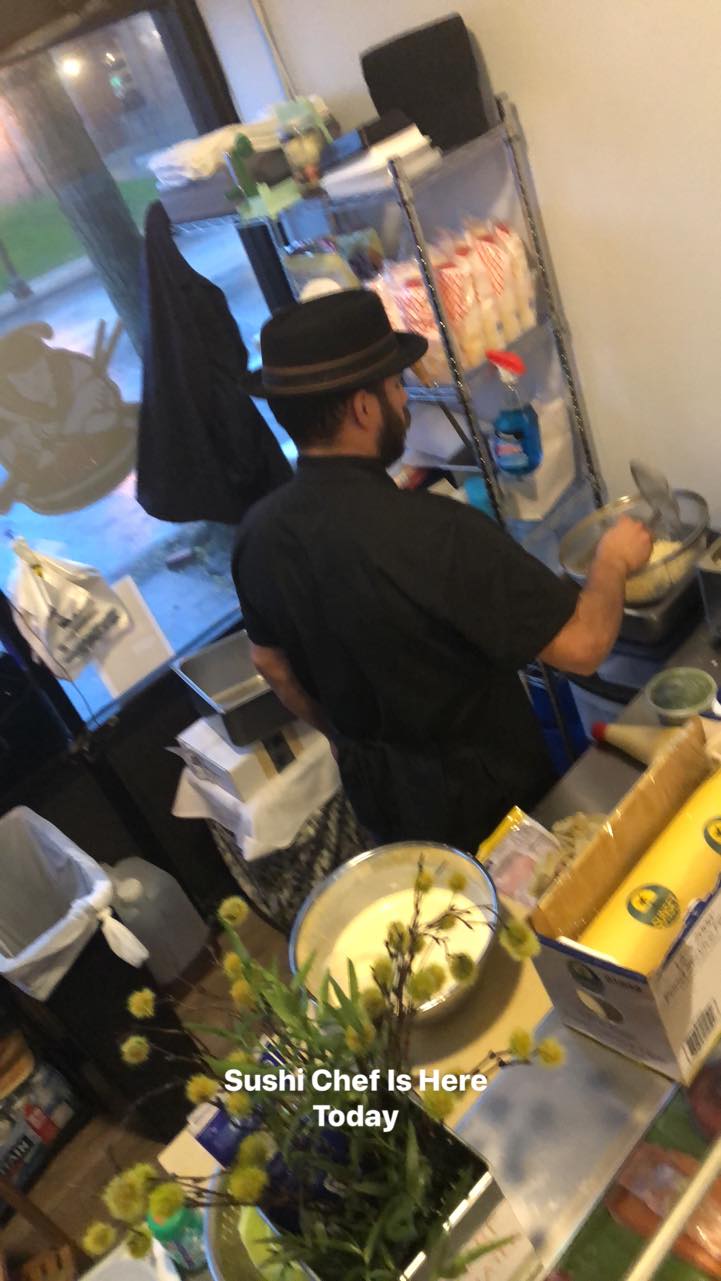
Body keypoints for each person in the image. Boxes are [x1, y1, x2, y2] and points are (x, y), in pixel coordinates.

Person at [232, 290, 651, 853]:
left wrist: (342, 735)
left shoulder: (256, 536)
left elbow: (271, 665)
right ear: (362, 409)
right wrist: (613, 561)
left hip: (381, 803)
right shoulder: (437, 534)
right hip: (489, 803)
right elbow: (583, 647)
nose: (404, 399)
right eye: (394, 385)